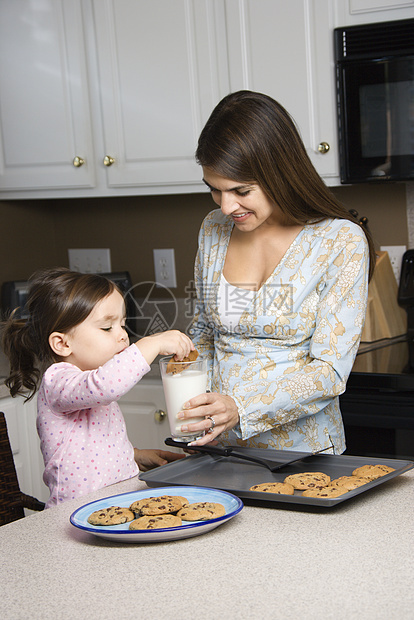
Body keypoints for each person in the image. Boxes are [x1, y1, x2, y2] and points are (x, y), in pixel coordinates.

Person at [177, 90, 375, 455]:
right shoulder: (215, 230)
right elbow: (207, 330)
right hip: (220, 448)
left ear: (279, 173)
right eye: (214, 190)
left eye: (241, 190)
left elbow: (329, 371)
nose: (226, 206)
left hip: (303, 454)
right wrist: (190, 394)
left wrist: (241, 407)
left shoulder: (338, 241)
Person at [1, 268, 194, 508]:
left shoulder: (88, 381)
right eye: (107, 328)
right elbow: (107, 385)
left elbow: (93, 445)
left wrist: (132, 455)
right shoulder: (58, 381)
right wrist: (151, 343)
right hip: (74, 513)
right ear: (62, 343)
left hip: (114, 504)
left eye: (122, 325)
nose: (123, 336)